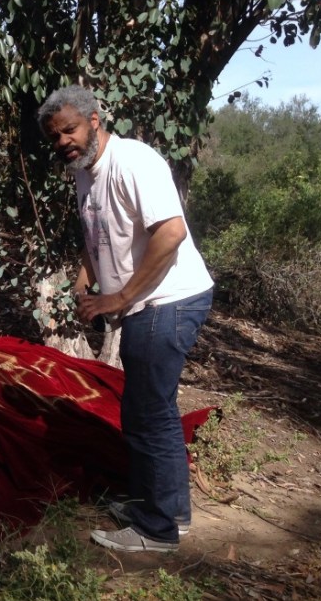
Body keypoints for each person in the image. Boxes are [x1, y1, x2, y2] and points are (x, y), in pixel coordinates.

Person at [37, 85, 214, 553]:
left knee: (147, 414)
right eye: (55, 137)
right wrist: (82, 281)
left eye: (70, 130)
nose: (63, 143)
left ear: (95, 121)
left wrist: (121, 297)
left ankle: (155, 532)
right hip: (148, 303)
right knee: (149, 411)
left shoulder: (134, 161)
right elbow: (97, 236)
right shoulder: (83, 174)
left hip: (168, 301)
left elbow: (171, 232)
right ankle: (168, 511)